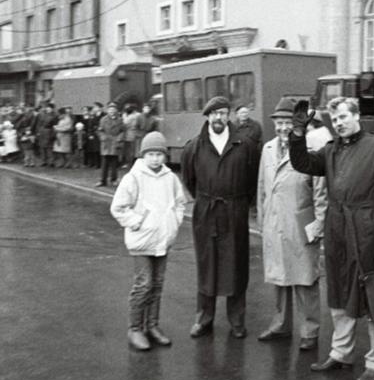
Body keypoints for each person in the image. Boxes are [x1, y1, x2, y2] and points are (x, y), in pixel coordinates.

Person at [288, 97, 374, 380]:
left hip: (367, 231)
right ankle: (341, 353)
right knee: (338, 291)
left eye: (342, 117)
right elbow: (301, 163)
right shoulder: (331, 150)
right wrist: (298, 133)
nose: (338, 123)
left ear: (356, 116)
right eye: (334, 119)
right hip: (337, 228)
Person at [181, 96, 260, 339]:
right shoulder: (194, 146)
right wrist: (207, 200)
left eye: (223, 113)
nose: (219, 118)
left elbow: (252, 179)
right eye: (214, 113)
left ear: (229, 116)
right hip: (206, 212)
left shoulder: (244, 144)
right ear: (207, 116)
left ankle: (237, 321)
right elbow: (189, 181)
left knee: (236, 265)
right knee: (208, 265)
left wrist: (239, 204)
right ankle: (204, 319)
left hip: (235, 211)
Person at [256, 97, 327, 351]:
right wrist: (262, 219)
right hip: (274, 222)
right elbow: (263, 188)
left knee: (305, 279)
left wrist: (318, 224)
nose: (284, 128)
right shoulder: (267, 149)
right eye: (279, 122)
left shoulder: (310, 148)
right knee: (279, 277)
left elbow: (320, 192)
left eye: (288, 122)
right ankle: (280, 325)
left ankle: (310, 331)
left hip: (300, 223)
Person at [110, 131, 188, 350]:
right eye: (151, 154)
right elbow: (118, 207)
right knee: (143, 285)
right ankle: (135, 329)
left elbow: (180, 202)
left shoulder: (170, 178)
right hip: (142, 240)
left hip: (163, 240)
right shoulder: (133, 178)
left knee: (157, 284)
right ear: (143, 155)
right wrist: (137, 222)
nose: (155, 159)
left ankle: (152, 325)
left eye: (159, 154)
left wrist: (174, 221)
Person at [97, 102, 125, 187]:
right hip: (106, 143)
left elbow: (122, 131)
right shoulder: (103, 119)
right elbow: (100, 130)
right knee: (104, 163)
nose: (112, 111)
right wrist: (103, 137)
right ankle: (103, 180)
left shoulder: (120, 120)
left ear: (116, 110)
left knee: (114, 163)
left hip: (115, 142)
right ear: (107, 111)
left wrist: (119, 138)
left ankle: (114, 179)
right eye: (110, 110)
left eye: (113, 109)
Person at [34, 103, 57, 167]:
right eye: (47, 107)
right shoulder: (41, 115)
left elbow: (55, 126)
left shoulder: (54, 116)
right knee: (42, 147)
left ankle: (51, 161)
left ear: (52, 109)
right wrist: (38, 132)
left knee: (49, 148)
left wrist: (53, 134)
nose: (48, 109)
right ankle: (43, 161)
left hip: (49, 132)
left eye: (50, 108)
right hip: (42, 132)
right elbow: (38, 124)